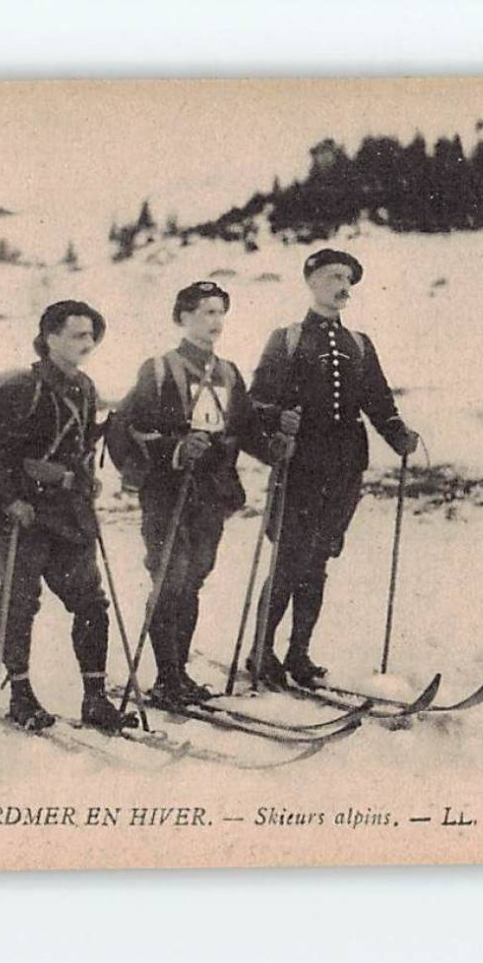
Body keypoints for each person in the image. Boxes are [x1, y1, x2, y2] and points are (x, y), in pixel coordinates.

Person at [248, 248, 420, 689]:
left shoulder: (359, 344)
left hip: (344, 468)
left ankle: (299, 654)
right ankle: (260, 652)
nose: (342, 286)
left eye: (347, 278)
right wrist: (277, 419)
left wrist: (397, 433)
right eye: (332, 277)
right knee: (288, 559)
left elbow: (378, 401)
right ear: (311, 283)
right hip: (300, 465)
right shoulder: (286, 339)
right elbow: (257, 401)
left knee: (318, 562)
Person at [0, 300, 127, 734]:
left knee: (90, 601)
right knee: (20, 602)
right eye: (76, 335)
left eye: (91, 336)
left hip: (68, 512)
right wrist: (9, 499)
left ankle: (95, 697)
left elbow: (79, 447)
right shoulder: (22, 388)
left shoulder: (87, 388)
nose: (86, 344)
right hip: (21, 513)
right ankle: (20, 693)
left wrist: (86, 479)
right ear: (49, 338)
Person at [120, 280, 275, 707]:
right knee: (170, 578)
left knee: (193, 580)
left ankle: (179, 672)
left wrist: (276, 449)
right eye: (206, 312)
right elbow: (128, 429)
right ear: (183, 317)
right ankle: (167, 677)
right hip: (168, 493)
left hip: (212, 492)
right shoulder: (159, 369)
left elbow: (245, 428)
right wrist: (173, 449)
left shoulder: (228, 373)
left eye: (220, 312)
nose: (215, 322)